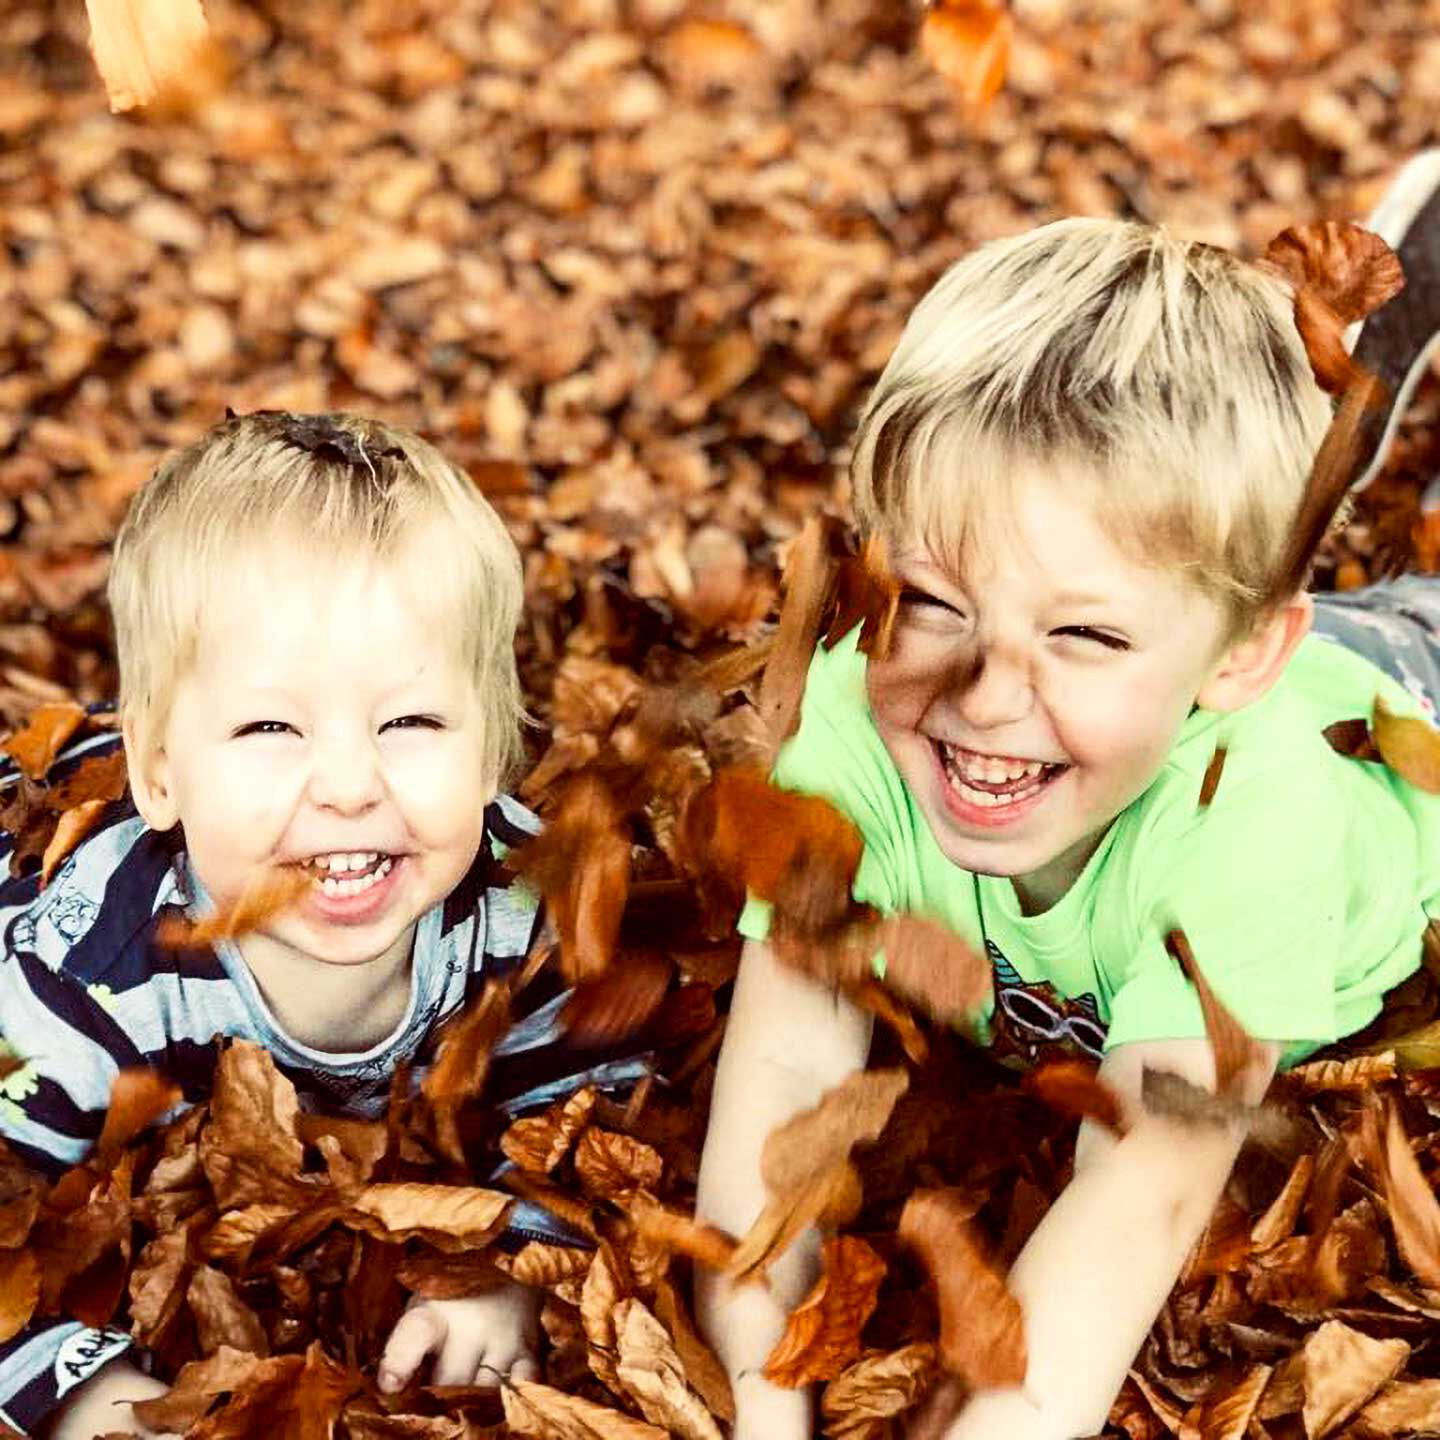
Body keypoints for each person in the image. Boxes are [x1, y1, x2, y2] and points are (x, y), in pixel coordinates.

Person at [695, 155, 1440, 1440]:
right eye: (935, 602)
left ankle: (1370, 330)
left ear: (1238, 658)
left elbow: (1136, 1192)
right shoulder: (851, 719)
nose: (985, 695)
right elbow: (781, 1083)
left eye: (1079, 635)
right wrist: (770, 1412)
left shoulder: (1257, 836)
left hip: (1383, 717)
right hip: (1217, 661)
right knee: (1228, 545)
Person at [0, 412, 648, 1438]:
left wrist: (512, 1265)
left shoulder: (526, 909)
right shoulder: (88, 985)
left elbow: (591, 1100)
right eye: (270, 727)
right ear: (161, 771)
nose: (349, 785)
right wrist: (94, 1400)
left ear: (490, 751)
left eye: (411, 722)